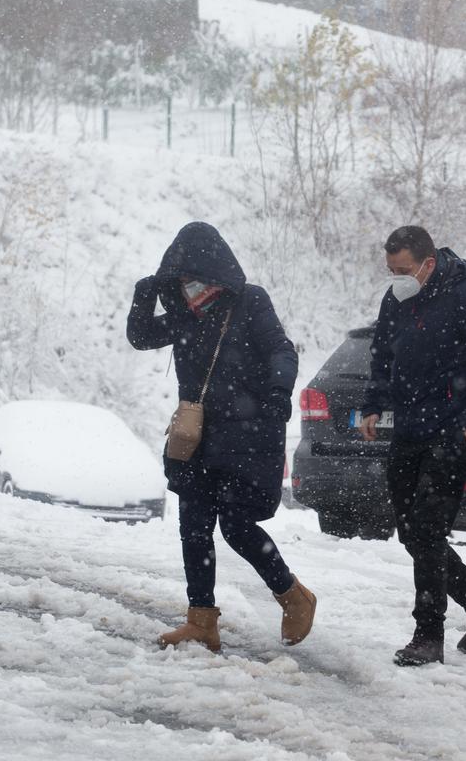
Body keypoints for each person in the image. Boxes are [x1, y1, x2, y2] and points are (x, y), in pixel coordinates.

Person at [127, 221, 316, 653]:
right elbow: (140, 337)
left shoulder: (249, 302)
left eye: (194, 281)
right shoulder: (182, 315)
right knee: (192, 527)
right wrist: (144, 294)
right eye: (180, 283)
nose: (189, 291)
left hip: (245, 438)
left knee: (235, 526)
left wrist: (276, 392)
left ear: (215, 274)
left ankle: (294, 595)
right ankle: (201, 621)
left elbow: (281, 349)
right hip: (195, 441)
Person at [359, 225, 466, 667]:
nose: (397, 278)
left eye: (404, 269)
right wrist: (373, 404)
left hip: (449, 433)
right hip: (409, 429)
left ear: (428, 263)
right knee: (411, 531)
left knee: (427, 529)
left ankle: (428, 634)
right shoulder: (397, 299)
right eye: (391, 270)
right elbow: (381, 355)